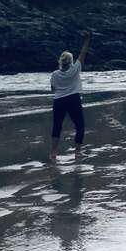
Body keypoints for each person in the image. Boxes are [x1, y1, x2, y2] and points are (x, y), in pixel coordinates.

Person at [49, 30, 91, 161]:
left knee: (57, 126)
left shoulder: (55, 74)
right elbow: (83, 53)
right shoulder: (75, 68)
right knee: (80, 125)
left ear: (60, 61)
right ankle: (78, 152)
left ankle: (54, 153)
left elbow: (53, 89)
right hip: (73, 99)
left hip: (59, 101)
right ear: (71, 61)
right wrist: (87, 39)